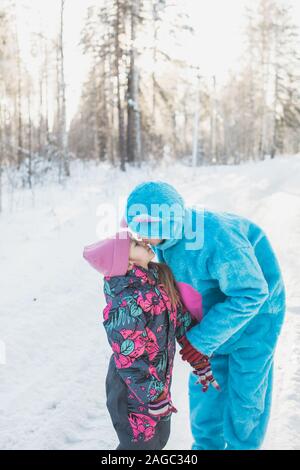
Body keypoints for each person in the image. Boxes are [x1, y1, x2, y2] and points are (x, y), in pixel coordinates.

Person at [121, 181, 286, 450]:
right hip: (213, 319)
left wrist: (202, 340)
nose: (140, 239)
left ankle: (242, 447)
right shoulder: (164, 236)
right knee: (206, 390)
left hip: (257, 318)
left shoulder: (217, 239)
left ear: (167, 224)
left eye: (144, 232)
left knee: (246, 394)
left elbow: (252, 293)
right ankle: (206, 446)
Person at [83, 230, 217, 450]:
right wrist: (154, 395)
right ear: (126, 264)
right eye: (135, 244)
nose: (143, 241)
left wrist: (198, 357)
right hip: (132, 390)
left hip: (158, 384)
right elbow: (130, 360)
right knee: (139, 448)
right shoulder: (125, 303)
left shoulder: (159, 283)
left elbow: (180, 321)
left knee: (161, 439)